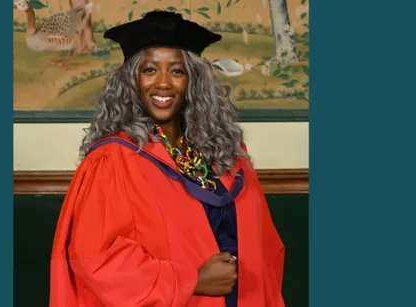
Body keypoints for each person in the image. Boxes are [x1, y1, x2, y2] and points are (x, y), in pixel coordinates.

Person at [49, 10, 285, 307]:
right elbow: (95, 260)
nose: (163, 83)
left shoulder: (225, 154)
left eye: (176, 71)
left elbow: (265, 244)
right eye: (149, 70)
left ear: (194, 81)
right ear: (131, 81)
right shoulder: (114, 160)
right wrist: (193, 280)